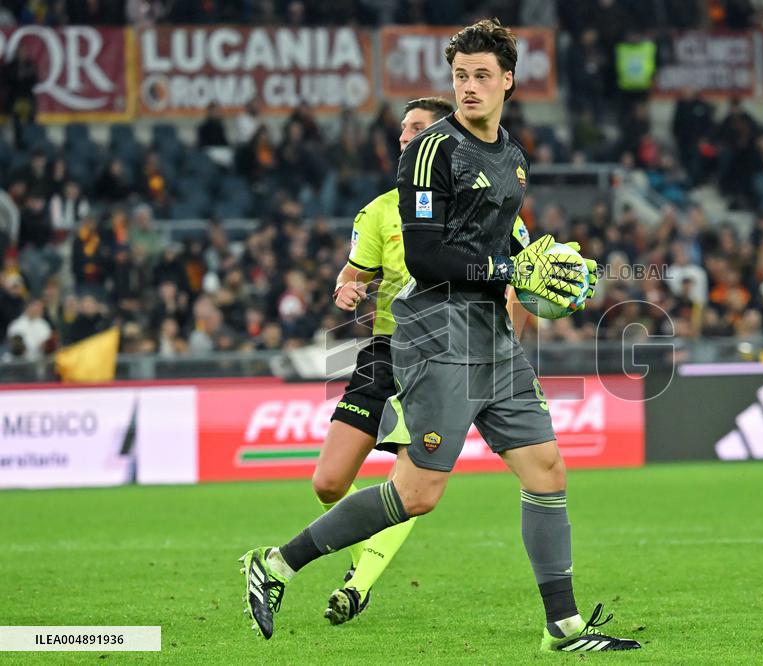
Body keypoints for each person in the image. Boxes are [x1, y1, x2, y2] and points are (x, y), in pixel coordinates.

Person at [241, 19, 639, 653]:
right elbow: (426, 259)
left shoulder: (513, 157)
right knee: (419, 493)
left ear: (509, 80)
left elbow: (505, 246)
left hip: (490, 334)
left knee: (546, 469)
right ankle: (276, 564)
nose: (470, 87)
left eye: (482, 75)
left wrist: (545, 276)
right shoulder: (429, 151)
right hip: (435, 330)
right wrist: (511, 269)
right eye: (461, 76)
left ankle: (561, 628)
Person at [314, 95, 533, 625]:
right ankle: (359, 562)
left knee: (414, 480)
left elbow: (525, 284)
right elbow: (354, 275)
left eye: (418, 128)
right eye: (402, 131)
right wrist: (345, 291)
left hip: (441, 351)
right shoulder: (378, 211)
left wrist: (505, 349)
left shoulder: (489, 202)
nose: (407, 137)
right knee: (328, 482)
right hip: (383, 350)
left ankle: (358, 584)